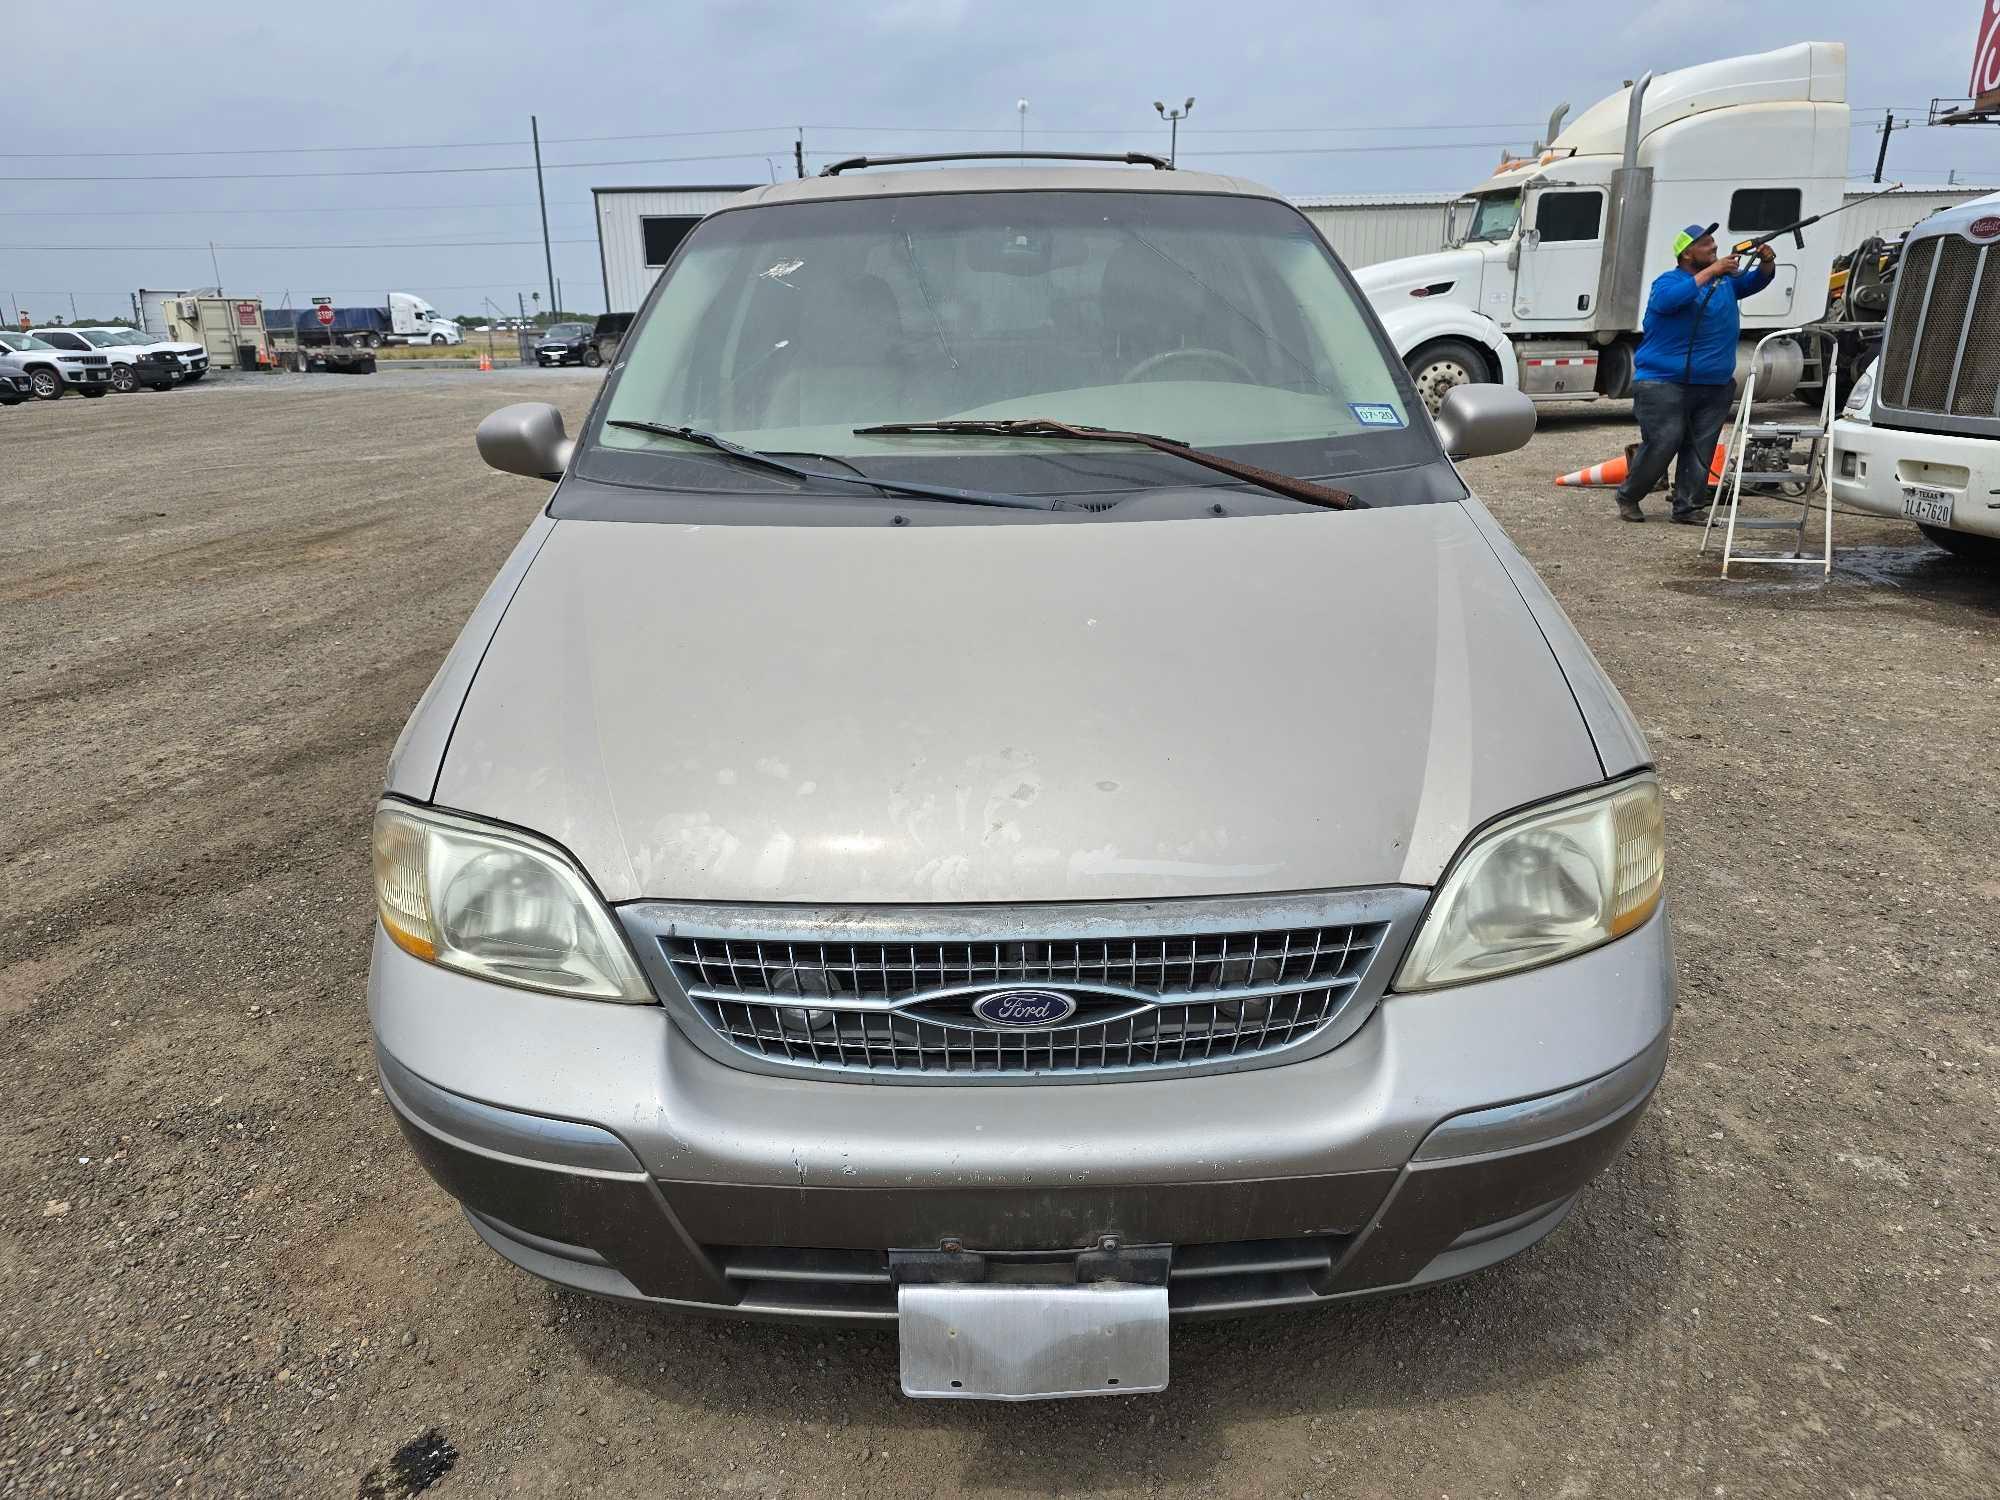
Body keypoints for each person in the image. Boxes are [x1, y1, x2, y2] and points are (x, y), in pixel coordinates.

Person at [1615, 225, 1776, 524]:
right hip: (1662, 382)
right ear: (1687, 253)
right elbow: (1672, 300)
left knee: (1701, 446)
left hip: (1714, 384)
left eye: (1713, 242)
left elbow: (1756, 282)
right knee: (1665, 441)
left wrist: (1767, 262)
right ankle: (1628, 495)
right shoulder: (1667, 282)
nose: (1714, 247)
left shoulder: (1725, 282)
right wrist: (1713, 271)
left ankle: (1688, 507)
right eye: (1705, 244)